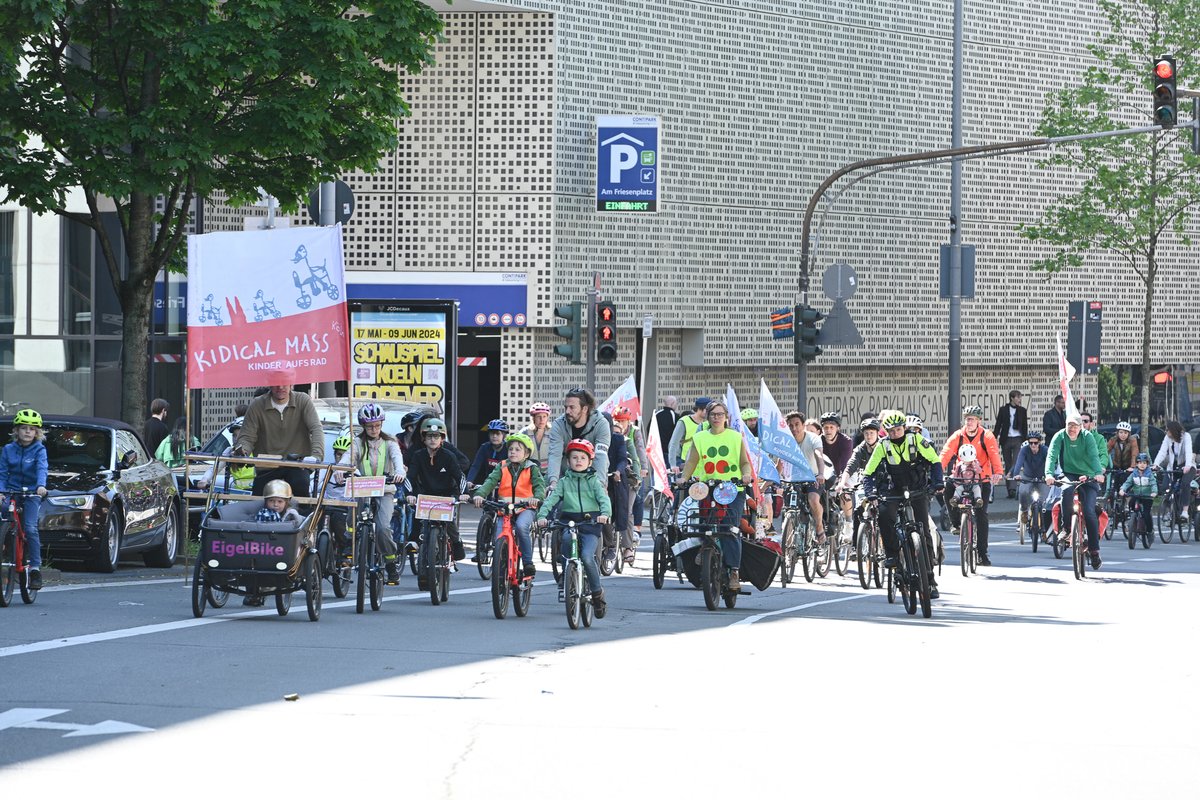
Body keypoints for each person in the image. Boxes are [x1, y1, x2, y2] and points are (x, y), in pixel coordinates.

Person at [862, 410, 944, 598]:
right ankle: (892, 554)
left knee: (923, 529)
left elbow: (935, 461)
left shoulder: (916, 440)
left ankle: (929, 578)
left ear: (904, 428)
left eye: (898, 430)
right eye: (890, 431)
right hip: (894, 491)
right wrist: (871, 493)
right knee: (884, 514)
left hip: (917, 489)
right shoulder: (882, 445)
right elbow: (869, 473)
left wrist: (937, 482)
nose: (894, 434)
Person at [679, 399, 752, 591]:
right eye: (713, 414)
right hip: (708, 487)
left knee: (730, 528)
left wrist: (746, 476)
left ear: (726, 417)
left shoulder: (735, 437)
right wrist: (683, 478)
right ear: (708, 417)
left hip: (732, 489)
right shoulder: (701, 437)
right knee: (704, 523)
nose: (717, 417)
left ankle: (734, 571)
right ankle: (706, 547)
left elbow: (744, 462)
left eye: (720, 414)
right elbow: (691, 462)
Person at [536, 438, 612, 617]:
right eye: (574, 457)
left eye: (583, 458)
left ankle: (597, 593)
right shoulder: (564, 482)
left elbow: (604, 500)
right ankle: (567, 574)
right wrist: (542, 516)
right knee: (566, 541)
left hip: (590, 523)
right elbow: (551, 500)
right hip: (569, 522)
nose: (578, 461)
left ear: (590, 462)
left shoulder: (594, 481)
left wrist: (605, 514)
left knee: (587, 556)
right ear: (568, 461)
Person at [336, 403, 406, 584]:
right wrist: (340, 470)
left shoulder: (390, 442)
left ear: (382, 424)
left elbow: (398, 459)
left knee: (383, 527)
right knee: (352, 516)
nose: (374, 429)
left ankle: (390, 562)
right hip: (362, 488)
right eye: (369, 426)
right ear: (363, 426)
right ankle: (349, 546)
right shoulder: (357, 443)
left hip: (385, 489)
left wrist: (399, 473)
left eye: (377, 425)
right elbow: (347, 459)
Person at [467, 431, 545, 578]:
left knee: (522, 527)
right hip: (505, 509)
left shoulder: (532, 468)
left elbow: (539, 486)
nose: (512, 452)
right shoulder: (502, 466)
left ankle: (528, 563)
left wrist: (537, 498)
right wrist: (479, 495)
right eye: (510, 449)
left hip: (525, 508)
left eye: (517, 449)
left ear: (527, 454)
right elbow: (490, 481)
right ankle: (501, 566)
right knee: (499, 536)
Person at [235, 378, 324, 498]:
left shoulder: (303, 400)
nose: (280, 387)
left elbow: (316, 428)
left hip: (298, 465)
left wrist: (316, 456)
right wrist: (242, 451)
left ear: (291, 383)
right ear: (269, 383)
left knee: (301, 490)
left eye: (285, 382)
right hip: (267, 465)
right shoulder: (257, 404)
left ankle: (303, 515)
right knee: (258, 499)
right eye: (276, 382)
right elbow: (247, 436)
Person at [940, 404, 1003, 566]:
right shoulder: (958, 436)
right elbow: (945, 453)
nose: (969, 423)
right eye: (967, 419)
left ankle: (982, 553)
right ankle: (955, 523)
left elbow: (994, 454)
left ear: (978, 421)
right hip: (961, 477)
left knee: (981, 515)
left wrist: (997, 472)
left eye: (973, 420)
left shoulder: (987, 436)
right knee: (947, 490)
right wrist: (936, 473)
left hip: (982, 478)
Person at [1045, 414, 1105, 570]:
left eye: (1075, 426)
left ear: (1081, 427)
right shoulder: (1060, 436)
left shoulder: (1088, 438)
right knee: (1066, 491)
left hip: (1088, 475)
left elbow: (1094, 457)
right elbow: (1051, 455)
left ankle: (1094, 551)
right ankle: (1066, 529)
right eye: (1069, 426)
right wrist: (1049, 474)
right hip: (1069, 473)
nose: (1072, 429)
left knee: (1089, 512)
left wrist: (1098, 473)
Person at [0, 408, 48, 591]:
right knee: (3, 517)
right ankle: (7, 550)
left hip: (32, 493)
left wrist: (40, 486)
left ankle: (35, 568)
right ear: (16, 430)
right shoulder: (8, 449)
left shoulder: (39, 450)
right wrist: (0, 491)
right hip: (11, 491)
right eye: (23, 428)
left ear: (37, 433)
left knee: (30, 528)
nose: (28, 431)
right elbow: (3, 472)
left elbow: (42, 469)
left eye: (32, 429)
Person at [406, 417, 466, 561]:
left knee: (450, 523)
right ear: (424, 439)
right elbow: (410, 477)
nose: (433, 439)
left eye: (436, 436)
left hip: (447, 495)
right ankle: (414, 540)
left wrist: (464, 494)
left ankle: (457, 543)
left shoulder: (449, 456)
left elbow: (460, 477)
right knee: (417, 516)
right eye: (429, 436)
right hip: (426, 494)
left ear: (442, 439)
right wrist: (410, 494)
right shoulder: (418, 456)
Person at [546, 387, 611, 486]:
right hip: (564, 477)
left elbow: (601, 457)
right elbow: (555, 455)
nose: (567, 411)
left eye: (572, 407)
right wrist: (553, 482)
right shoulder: (558, 424)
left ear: (584, 409)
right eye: (566, 407)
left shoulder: (601, 424)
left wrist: (600, 485)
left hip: (591, 478)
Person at [837, 417, 882, 544]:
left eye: (872, 433)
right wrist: (841, 483)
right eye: (866, 433)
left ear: (877, 433)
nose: (868, 436)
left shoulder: (884, 446)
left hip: (882, 483)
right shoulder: (860, 449)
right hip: (866, 483)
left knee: (886, 512)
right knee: (858, 511)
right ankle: (855, 546)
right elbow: (850, 467)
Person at [785, 410, 826, 541]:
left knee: (813, 500)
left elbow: (819, 455)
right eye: (790, 425)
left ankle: (819, 527)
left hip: (812, 477)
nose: (794, 428)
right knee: (789, 506)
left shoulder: (813, 438)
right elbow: (780, 462)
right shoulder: (786, 441)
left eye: (797, 424)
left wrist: (820, 474)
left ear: (803, 425)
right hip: (793, 479)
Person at [1152, 420, 1195, 524]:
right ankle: (1168, 511)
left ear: (1173, 430)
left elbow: (1189, 452)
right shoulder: (1167, 438)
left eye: (1167, 430)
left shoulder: (1186, 437)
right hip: (1173, 466)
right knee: (1165, 487)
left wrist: (1188, 465)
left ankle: (1185, 511)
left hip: (1187, 465)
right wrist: (1156, 464)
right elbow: (1162, 452)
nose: (1166, 432)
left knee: (1185, 484)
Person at [195, 417, 254, 492]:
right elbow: (214, 469)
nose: (236, 438)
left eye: (240, 435)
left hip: (256, 495)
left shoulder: (257, 450)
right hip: (238, 495)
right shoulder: (229, 451)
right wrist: (204, 479)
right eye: (234, 435)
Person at [993, 390, 1028, 498]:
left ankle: (1013, 488)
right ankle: (1010, 490)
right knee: (1008, 464)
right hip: (1006, 439)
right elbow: (999, 424)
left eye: (1020, 397)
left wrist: (1025, 440)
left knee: (1015, 462)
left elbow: (1025, 426)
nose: (1019, 400)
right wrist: (993, 438)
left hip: (1018, 439)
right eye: (1017, 397)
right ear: (1012, 398)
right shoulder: (1003, 410)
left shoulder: (1022, 410)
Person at [1012, 431, 1048, 530]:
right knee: (1023, 492)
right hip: (1027, 478)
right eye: (1030, 443)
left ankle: (1044, 528)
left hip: (1042, 479)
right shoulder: (1024, 450)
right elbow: (1019, 463)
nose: (1033, 445)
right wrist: (1016, 475)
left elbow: (1050, 462)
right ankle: (1024, 512)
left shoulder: (1045, 450)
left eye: (1035, 443)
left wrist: (1050, 475)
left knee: (1044, 501)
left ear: (1039, 442)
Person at [1119, 452, 1157, 538]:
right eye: (1140, 463)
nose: (1142, 465)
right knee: (1131, 503)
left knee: (1147, 514)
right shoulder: (1134, 474)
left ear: (1147, 464)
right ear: (1136, 464)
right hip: (1137, 495)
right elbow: (1127, 483)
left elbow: (1153, 484)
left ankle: (1150, 531)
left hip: (1147, 497)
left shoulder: (1150, 474)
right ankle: (1134, 519)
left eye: (1144, 463)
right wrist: (1122, 489)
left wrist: (1154, 492)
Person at [667, 397, 709, 473]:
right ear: (700, 409)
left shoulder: (708, 423)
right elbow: (673, 443)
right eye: (707, 410)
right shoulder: (684, 421)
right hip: (684, 460)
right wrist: (673, 465)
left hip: (703, 461)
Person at [467, 419, 509, 488]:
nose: (494, 436)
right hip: (488, 482)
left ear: (504, 436)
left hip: (506, 484)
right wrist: (469, 480)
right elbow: (475, 466)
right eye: (492, 433)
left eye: (498, 433)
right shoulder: (484, 447)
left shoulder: (509, 448)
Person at [1106, 421, 1138, 502]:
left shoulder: (1132, 440)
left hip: (1128, 467)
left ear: (1129, 434)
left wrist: (1133, 466)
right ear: (1117, 432)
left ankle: (1126, 503)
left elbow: (1135, 453)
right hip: (1117, 466)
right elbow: (1106, 452)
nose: (1123, 435)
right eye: (1121, 432)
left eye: (1125, 433)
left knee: (1125, 483)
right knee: (1114, 486)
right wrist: (1101, 465)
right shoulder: (1113, 440)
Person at [522, 402, 553, 477]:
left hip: (549, 472)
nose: (542, 419)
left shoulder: (553, 432)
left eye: (544, 416)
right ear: (533, 418)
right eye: (538, 416)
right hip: (530, 472)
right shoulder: (525, 432)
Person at [950, 443, 984, 508]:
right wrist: (954, 479)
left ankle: (978, 499)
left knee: (977, 489)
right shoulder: (959, 465)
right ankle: (955, 499)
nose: (968, 462)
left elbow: (979, 471)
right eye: (966, 461)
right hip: (962, 483)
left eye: (969, 461)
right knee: (958, 489)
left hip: (973, 484)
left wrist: (974, 464)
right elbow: (956, 474)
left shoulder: (976, 463)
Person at [654, 396, 679, 464]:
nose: (676, 405)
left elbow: (649, 429)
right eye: (676, 403)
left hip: (657, 450)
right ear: (672, 403)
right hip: (669, 450)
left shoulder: (656, 414)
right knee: (670, 471)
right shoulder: (674, 416)